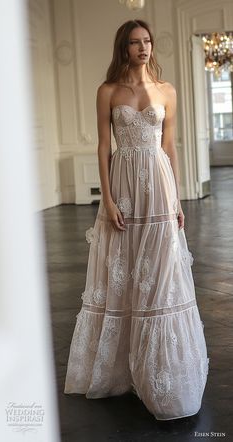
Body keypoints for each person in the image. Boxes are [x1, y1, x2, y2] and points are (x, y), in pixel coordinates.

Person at [64, 19, 210, 421]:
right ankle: (124, 369)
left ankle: (161, 372)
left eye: (146, 41)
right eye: (134, 42)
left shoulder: (167, 91)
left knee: (160, 275)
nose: (143, 48)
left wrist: (177, 199)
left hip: (160, 191)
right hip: (125, 191)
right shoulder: (108, 92)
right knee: (126, 272)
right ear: (123, 48)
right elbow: (101, 147)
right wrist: (107, 199)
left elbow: (170, 147)